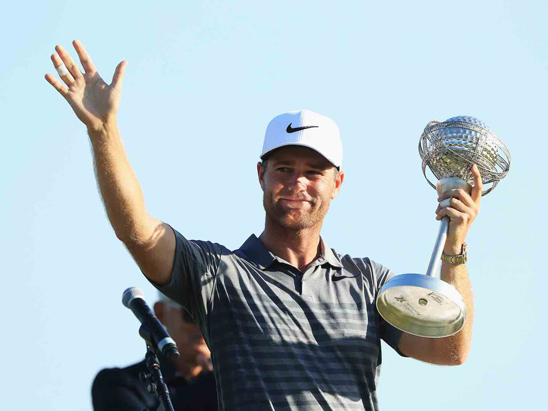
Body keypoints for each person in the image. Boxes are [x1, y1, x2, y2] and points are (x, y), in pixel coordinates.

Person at [46, 40, 480, 411]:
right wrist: (104, 133)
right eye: (284, 168)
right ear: (261, 176)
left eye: (314, 172)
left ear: (337, 184)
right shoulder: (218, 274)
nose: (297, 183)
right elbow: (138, 230)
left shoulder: (368, 281)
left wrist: (455, 247)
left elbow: (449, 349)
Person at [91, 293, 217, 411]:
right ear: (161, 313)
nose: (204, 325)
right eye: (191, 314)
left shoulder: (230, 380)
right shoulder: (114, 385)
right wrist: (214, 387)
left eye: (214, 316)